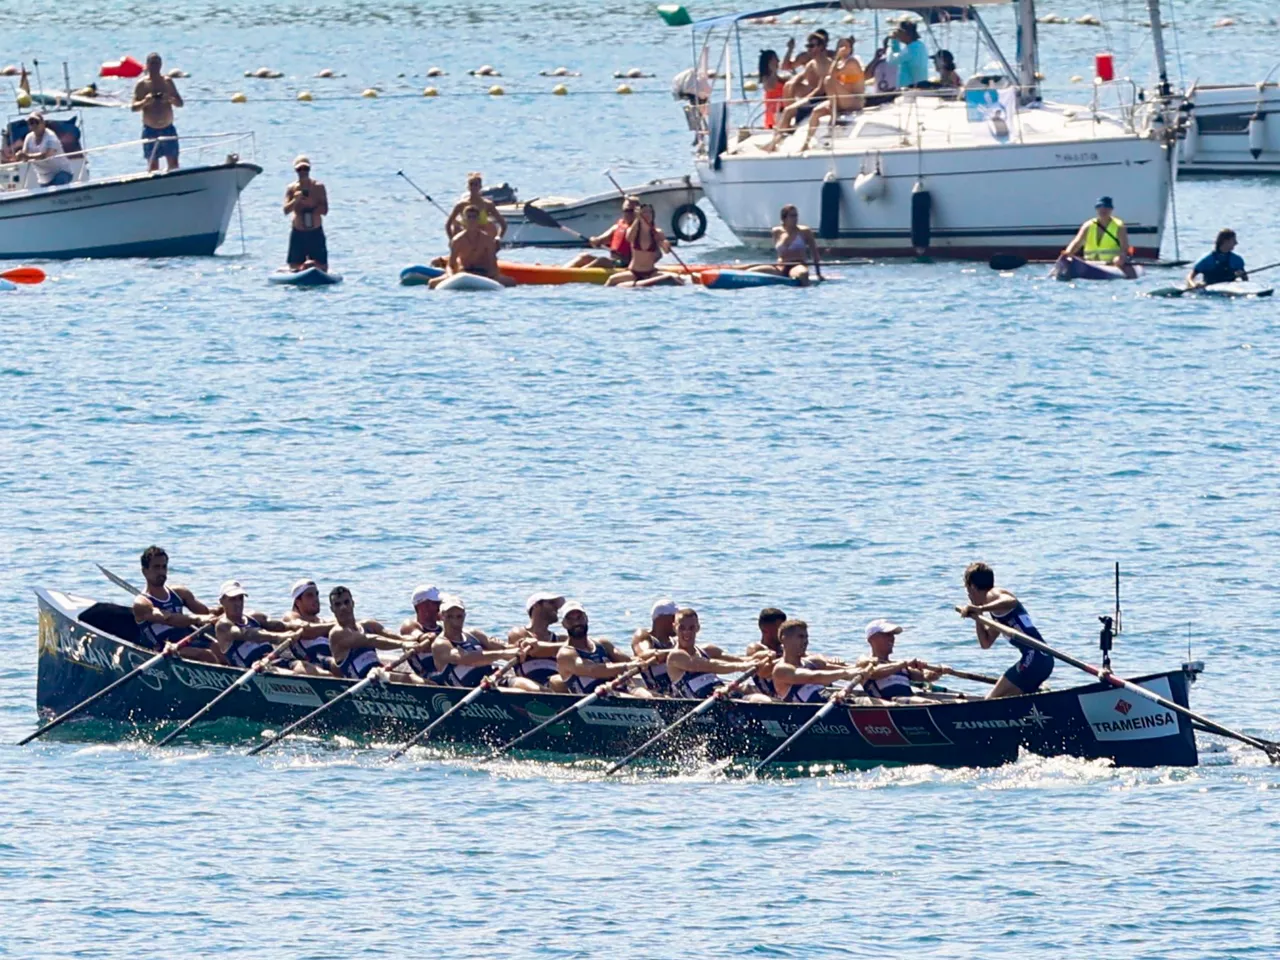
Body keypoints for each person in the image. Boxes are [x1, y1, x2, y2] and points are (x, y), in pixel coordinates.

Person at [957, 562, 1054, 698]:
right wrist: (978, 616)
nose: (968, 595)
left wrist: (980, 608)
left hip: (1034, 658)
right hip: (1044, 659)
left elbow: (1011, 601)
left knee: (991, 701)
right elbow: (986, 643)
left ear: (972, 587)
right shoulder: (997, 611)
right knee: (1010, 700)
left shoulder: (992, 594)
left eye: (967, 590)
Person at [417, 595, 531, 689]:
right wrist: (503, 654)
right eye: (450, 617)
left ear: (464, 616)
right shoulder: (440, 644)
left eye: (459, 616)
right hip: (471, 690)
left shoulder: (473, 633)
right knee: (518, 694)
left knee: (532, 688)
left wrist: (522, 646)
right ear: (441, 617)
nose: (455, 621)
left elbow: (504, 647)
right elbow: (467, 658)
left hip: (492, 680)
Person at [130, 545, 218, 661]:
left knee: (218, 648)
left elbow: (205, 612)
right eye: (156, 567)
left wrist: (227, 607)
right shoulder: (141, 603)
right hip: (163, 648)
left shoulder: (179, 593)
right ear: (145, 571)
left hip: (185, 641)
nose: (161, 572)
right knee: (205, 655)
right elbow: (169, 619)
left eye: (164, 567)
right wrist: (198, 619)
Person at [326, 585, 428, 682]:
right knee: (414, 680)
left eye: (346, 602)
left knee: (418, 680)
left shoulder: (368, 625)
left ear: (353, 603)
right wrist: (403, 644)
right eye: (338, 604)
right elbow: (370, 640)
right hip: (363, 683)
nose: (343, 607)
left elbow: (393, 636)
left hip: (379, 675)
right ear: (332, 609)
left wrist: (418, 639)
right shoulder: (337, 634)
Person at [665, 608, 771, 699]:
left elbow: (740, 660)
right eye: (682, 628)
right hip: (702, 706)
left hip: (723, 695)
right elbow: (710, 665)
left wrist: (761, 657)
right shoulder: (675, 656)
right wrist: (742, 667)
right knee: (757, 699)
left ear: (698, 628)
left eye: (691, 628)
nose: (687, 632)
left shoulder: (707, 650)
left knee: (757, 694)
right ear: (674, 628)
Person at [556, 601, 653, 697]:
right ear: (564, 624)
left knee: (646, 695)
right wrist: (627, 666)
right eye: (570, 619)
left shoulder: (602, 644)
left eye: (579, 617)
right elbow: (592, 670)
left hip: (619, 690)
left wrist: (646, 659)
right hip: (595, 699)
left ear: (586, 618)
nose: (576, 622)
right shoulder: (565, 654)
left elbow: (628, 660)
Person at [768, 619, 868, 703]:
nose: (805, 641)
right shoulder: (781, 670)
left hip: (832, 703)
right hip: (806, 714)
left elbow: (847, 669)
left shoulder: (811, 663)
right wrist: (846, 673)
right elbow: (814, 677)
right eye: (800, 637)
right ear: (784, 639)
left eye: (806, 637)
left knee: (871, 702)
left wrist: (863, 667)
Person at [213, 580, 304, 670]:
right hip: (257, 668)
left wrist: (297, 626)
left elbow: (280, 625)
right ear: (221, 601)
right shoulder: (223, 626)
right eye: (232, 599)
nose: (238, 603)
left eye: (240, 598)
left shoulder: (254, 617)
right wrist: (279, 637)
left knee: (303, 666)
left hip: (275, 660)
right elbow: (247, 633)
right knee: (284, 672)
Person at [856, 618, 945, 702]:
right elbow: (873, 673)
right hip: (888, 704)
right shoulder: (865, 664)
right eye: (887, 634)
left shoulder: (902, 667)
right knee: (926, 702)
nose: (892, 638)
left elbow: (926, 677)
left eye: (892, 635)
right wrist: (903, 664)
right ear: (872, 639)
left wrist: (934, 671)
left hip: (910, 703)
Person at [800, 36, 865, 149]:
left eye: (845, 46)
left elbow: (832, 74)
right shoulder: (839, 63)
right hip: (841, 100)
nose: (842, 48)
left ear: (850, 48)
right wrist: (837, 58)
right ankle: (806, 143)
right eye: (840, 46)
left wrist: (836, 58)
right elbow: (831, 73)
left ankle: (833, 116)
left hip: (854, 100)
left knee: (829, 80)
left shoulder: (852, 62)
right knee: (816, 111)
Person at [430, 204, 516, 288]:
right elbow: (451, 265)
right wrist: (451, 276)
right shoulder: (457, 240)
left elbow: (493, 263)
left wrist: (492, 276)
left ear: (478, 220)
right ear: (464, 220)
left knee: (511, 282)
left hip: (484, 273)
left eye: (474, 217)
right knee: (432, 283)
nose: (471, 220)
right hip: (464, 272)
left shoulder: (487, 240)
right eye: (469, 217)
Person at [604, 204, 684, 287]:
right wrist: (637, 218)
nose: (648, 214)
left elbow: (666, 251)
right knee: (611, 279)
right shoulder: (633, 231)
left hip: (651, 272)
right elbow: (629, 238)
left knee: (677, 278)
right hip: (634, 272)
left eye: (650, 212)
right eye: (645, 212)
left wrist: (666, 245)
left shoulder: (657, 233)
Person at [131, 52, 184, 172]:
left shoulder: (167, 82)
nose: (155, 66)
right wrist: (145, 101)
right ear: (147, 65)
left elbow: (180, 103)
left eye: (157, 63)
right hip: (150, 130)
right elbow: (134, 108)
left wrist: (169, 99)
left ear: (161, 65)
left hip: (168, 129)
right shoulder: (142, 84)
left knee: (174, 164)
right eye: (152, 63)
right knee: (153, 166)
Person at [507, 591, 570, 690]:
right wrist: (567, 647)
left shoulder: (560, 639)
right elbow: (537, 651)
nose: (556, 608)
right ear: (536, 606)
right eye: (551, 603)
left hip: (555, 683)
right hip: (529, 685)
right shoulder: (518, 633)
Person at [746, 205, 823, 285]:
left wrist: (818, 274)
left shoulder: (805, 231)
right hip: (780, 267)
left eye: (796, 215)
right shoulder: (776, 231)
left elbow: (815, 254)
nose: (795, 218)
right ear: (784, 218)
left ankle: (805, 286)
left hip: (797, 265)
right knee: (751, 271)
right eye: (792, 216)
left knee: (802, 274)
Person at [1061, 196, 1135, 278]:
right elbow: (1076, 243)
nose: (1103, 210)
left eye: (1106, 207)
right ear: (1096, 209)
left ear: (1111, 209)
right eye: (1100, 207)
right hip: (1089, 264)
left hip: (1110, 264)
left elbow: (1124, 247)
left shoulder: (1119, 226)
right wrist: (1068, 253)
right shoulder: (1087, 225)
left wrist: (1120, 258)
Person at [279, 578, 340, 675]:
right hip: (311, 662)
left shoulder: (324, 622)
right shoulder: (290, 617)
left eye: (316, 594)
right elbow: (306, 631)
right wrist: (337, 625)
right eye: (310, 595)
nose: (316, 599)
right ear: (298, 601)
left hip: (330, 659)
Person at [283, 156, 330, 273]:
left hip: (315, 232)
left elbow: (325, 210)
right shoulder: (291, 188)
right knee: (294, 266)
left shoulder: (318, 187)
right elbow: (286, 210)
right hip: (298, 232)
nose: (303, 172)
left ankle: (314, 269)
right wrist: (296, 200)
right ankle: (301, 269)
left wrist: (312, 204)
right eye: (300, 169)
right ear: (296, 171)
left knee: (322, 265)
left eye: (306, 169)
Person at [566, 195, 637, 269]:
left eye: (631, 211)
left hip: (627, 265)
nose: (628, 214)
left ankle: (580, 272)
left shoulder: (641, 229)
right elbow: (600, 239)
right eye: (626, 211)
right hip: (614, 262)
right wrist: (595, 240)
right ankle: (563, 271)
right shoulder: (617, 227)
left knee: (603, 260)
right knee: (584, 257)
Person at [633, 598, 679, 694]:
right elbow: (644, 654)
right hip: (657, 693)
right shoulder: (643, 636)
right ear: (660, 619)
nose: (679, 622)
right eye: (675, 617)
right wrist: (677, 654)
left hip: (677, 691)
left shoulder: (675, 642)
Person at [14, 113, 74, 188]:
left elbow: (47, 155)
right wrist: (19, 155)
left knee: (58, 185)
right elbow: (24, 156)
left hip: (61, 173)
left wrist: (27, 156)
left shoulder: (51, 136)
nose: (34, 125)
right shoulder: (28, 137)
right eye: (31, 123)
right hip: (43, 178)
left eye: (36, 122)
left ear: (43, 123)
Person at [445, 172, 507, 240]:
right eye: (471, 184)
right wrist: (452, 240)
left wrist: (498, 238)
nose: (473, 187)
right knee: (456, 227)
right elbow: (448, 225)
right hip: (466, 239)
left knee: (490, 225)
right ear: (468, 187)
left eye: (476, 184)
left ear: (480, 187)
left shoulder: (488, 204)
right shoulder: (461, 205)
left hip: (482, 239)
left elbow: (503, 224)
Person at [883, 21, 929, 90]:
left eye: (899, 32)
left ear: (905, 33)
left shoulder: (911, 49)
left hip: (910, 88)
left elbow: (891, 61)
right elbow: (897, 55)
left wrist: (889, 46)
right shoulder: (919, 45)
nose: (898, 34)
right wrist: (894, 41)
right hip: (918, 86)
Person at [758, 49, 787, 130]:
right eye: (776, 59)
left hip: (783, 109)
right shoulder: (765, 78)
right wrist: (773, 71)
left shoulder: (779, 78)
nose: (778, 61)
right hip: (775, 112)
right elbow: (770, 87)